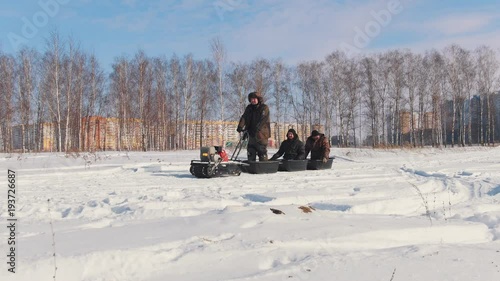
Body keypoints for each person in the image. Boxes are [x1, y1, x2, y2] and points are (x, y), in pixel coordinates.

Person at [237, 92, 271, 161]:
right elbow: (244, 117)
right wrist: (240, 126)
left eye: (255, 99)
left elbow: (263, 119)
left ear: (258, 99)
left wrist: (257, 128)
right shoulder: (249, 108)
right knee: (251, 150)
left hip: (262, 134)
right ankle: (251, 165)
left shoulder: (264, 108)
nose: (253, 100)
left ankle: (264, 166)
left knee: (261, 150)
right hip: (251, 133)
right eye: (251, 99)